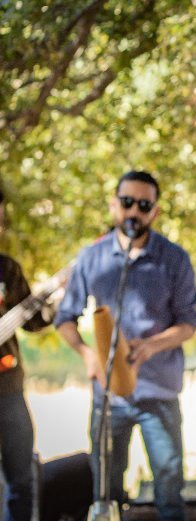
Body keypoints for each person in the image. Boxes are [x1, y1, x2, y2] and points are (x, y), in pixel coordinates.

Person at [54, 171, 196, 521]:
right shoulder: (91, 258)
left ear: (155, 212)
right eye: (127, 202)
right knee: (105, 488)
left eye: (143, 205)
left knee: (168, 486)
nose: (134, 211)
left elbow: (188, 323)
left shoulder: (174, 258)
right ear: (114, 204)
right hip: (108, 396)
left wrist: (151, 346)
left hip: (158, 391)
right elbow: (64, 319)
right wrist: (88, 354)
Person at [0, 189, 53, 521]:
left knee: (21, 479)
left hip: (9, 391)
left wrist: (50, 306)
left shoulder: (7, 269)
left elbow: (33, 321)